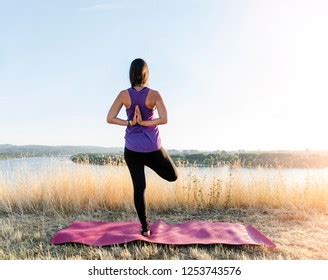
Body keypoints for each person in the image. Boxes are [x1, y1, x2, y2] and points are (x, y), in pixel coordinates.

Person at [106, 58, 178, 237]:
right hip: (153, 148)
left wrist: (131, 122)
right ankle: (145, 227)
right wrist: (146, 122)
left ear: (131, 74)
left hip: (132, 150)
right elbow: (164, 119)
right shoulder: (154, 94)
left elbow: (110, 118)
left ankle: (145, 229)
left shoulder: (124, 95)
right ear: (146, 74)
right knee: (172, 176)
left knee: (140, 188)